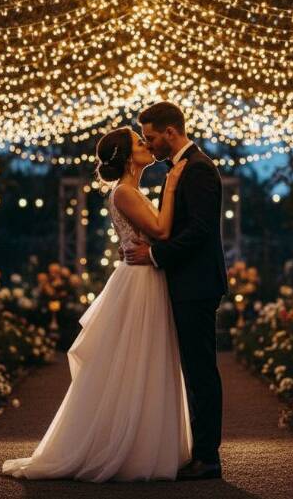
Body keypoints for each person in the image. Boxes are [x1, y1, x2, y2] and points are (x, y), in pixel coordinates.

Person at [2, 125, 192, 482]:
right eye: (139, 142)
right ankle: (124, 445)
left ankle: (145, 441)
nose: (147, 144)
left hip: (144, 276)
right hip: (138, 281)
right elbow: (163, 231)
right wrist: (171, 185)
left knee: (143, 359)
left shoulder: (132, 190)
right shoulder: (124, 193)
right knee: (134, 359)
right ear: (126, 155)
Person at [124, 101, 227, 480]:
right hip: (187, 282)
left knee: (201, 370)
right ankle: (199, 452)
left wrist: (154, 254)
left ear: (171, 132)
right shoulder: (181, 168)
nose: (149, 145)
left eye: (151, 137)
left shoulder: (198, 169)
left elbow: (199, 231)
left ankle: (208, 457)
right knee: (192, 367)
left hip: (197, 284)